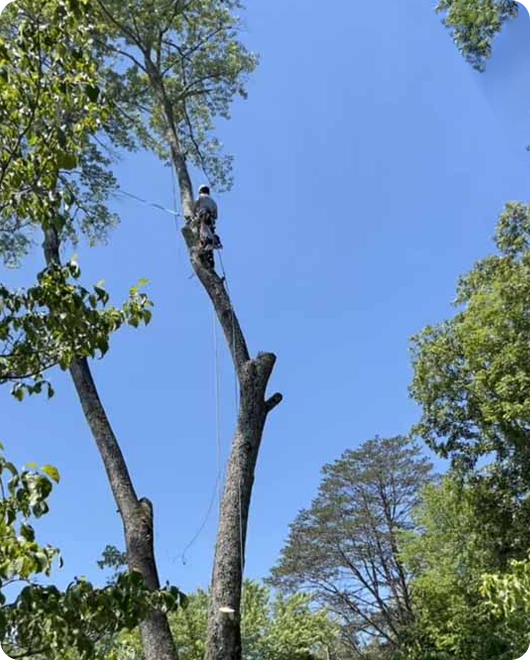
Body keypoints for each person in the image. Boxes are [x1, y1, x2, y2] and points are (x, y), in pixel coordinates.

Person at [194, 185, 221, 268]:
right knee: (208, 232)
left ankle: (207, 244)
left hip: (204, 216)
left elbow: (194, 207)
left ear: (201, 191)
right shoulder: (213, 202)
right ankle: (210, 259)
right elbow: (216, 216)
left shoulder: (201, 197)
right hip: (211, 221)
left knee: (203, 231)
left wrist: (194, 215)